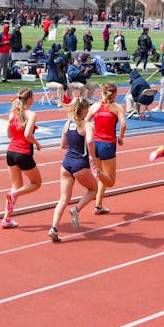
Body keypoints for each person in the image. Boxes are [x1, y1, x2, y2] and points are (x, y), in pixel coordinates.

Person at [48, 98, 98, 242]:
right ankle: (76, 210)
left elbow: (63, 145)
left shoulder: (67, 124)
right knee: (93, 189)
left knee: (63, 199)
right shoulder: (88, 125)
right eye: (87, 108)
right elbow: (89, 141)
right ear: (83, 110)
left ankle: (54, 228)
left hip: (66, 164)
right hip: (80, 164)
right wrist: (92, 158)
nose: (89, 111)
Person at [2, 88, 42, 228]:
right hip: (23, 153)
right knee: (36, 183)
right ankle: (13, 195)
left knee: (15, 187)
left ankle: (6, 219)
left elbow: (8, 134)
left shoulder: (13, 113)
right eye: (34, 97)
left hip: (10, 153)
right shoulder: (31, 114)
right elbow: (27, 134)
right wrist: (37, 144)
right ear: (29, 99)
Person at [84, 83, 126, 214]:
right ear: (114, 94)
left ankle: (98, 205)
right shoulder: (117, 107)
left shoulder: (95, 107)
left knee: (102, 177)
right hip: (108, 145)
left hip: (95, 144)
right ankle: (96, 172)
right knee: (110, 180)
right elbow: (123, 125)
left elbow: (85, 121)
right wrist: (121, 137)